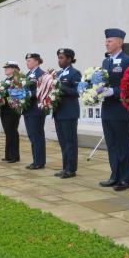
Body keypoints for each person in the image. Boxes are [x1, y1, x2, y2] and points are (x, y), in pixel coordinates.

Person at [98, 29, 129, 191]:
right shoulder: (106, 62)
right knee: (112, 144)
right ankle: (115, 175)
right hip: (107, 108)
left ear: (120, 42)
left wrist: (114, 91)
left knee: (123, 144)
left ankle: (125, 179)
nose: (107, 43)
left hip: (121, 109)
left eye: (110, 41)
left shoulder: (128, 60)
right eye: (106, 41)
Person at [53, 49, 82, 179]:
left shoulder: (75, 73)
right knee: (63, 141)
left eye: (62, 58)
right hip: (58, 111)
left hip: (69, 112)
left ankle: (71, 169)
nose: (59, 60)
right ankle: (65, 167)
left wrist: (59, 85)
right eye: (58, 58)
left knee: (70, 142)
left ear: (69, 59)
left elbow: (76, 92)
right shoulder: (58, 73)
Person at [23, 53, 46, 170]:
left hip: (36, 110)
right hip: (28, 109)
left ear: (37, 61)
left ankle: (39, 161)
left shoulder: (41, 74)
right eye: (27, 61)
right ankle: (36, 160)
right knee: (32, 136)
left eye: (30, 60)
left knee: (37, 136)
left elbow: (42, 90)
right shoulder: (28, 74)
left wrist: (28, 94)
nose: (27, 63)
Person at [0, 62, 21, 163]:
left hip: (12, 109)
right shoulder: (6, 80)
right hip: (4, 108)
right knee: (7, 132)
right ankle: (8, 155)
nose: (5, 69)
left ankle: (15, 156)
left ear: (13, 69)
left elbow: (17, 94)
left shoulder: (16, 79)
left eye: (7, 68)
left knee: (12, 132)